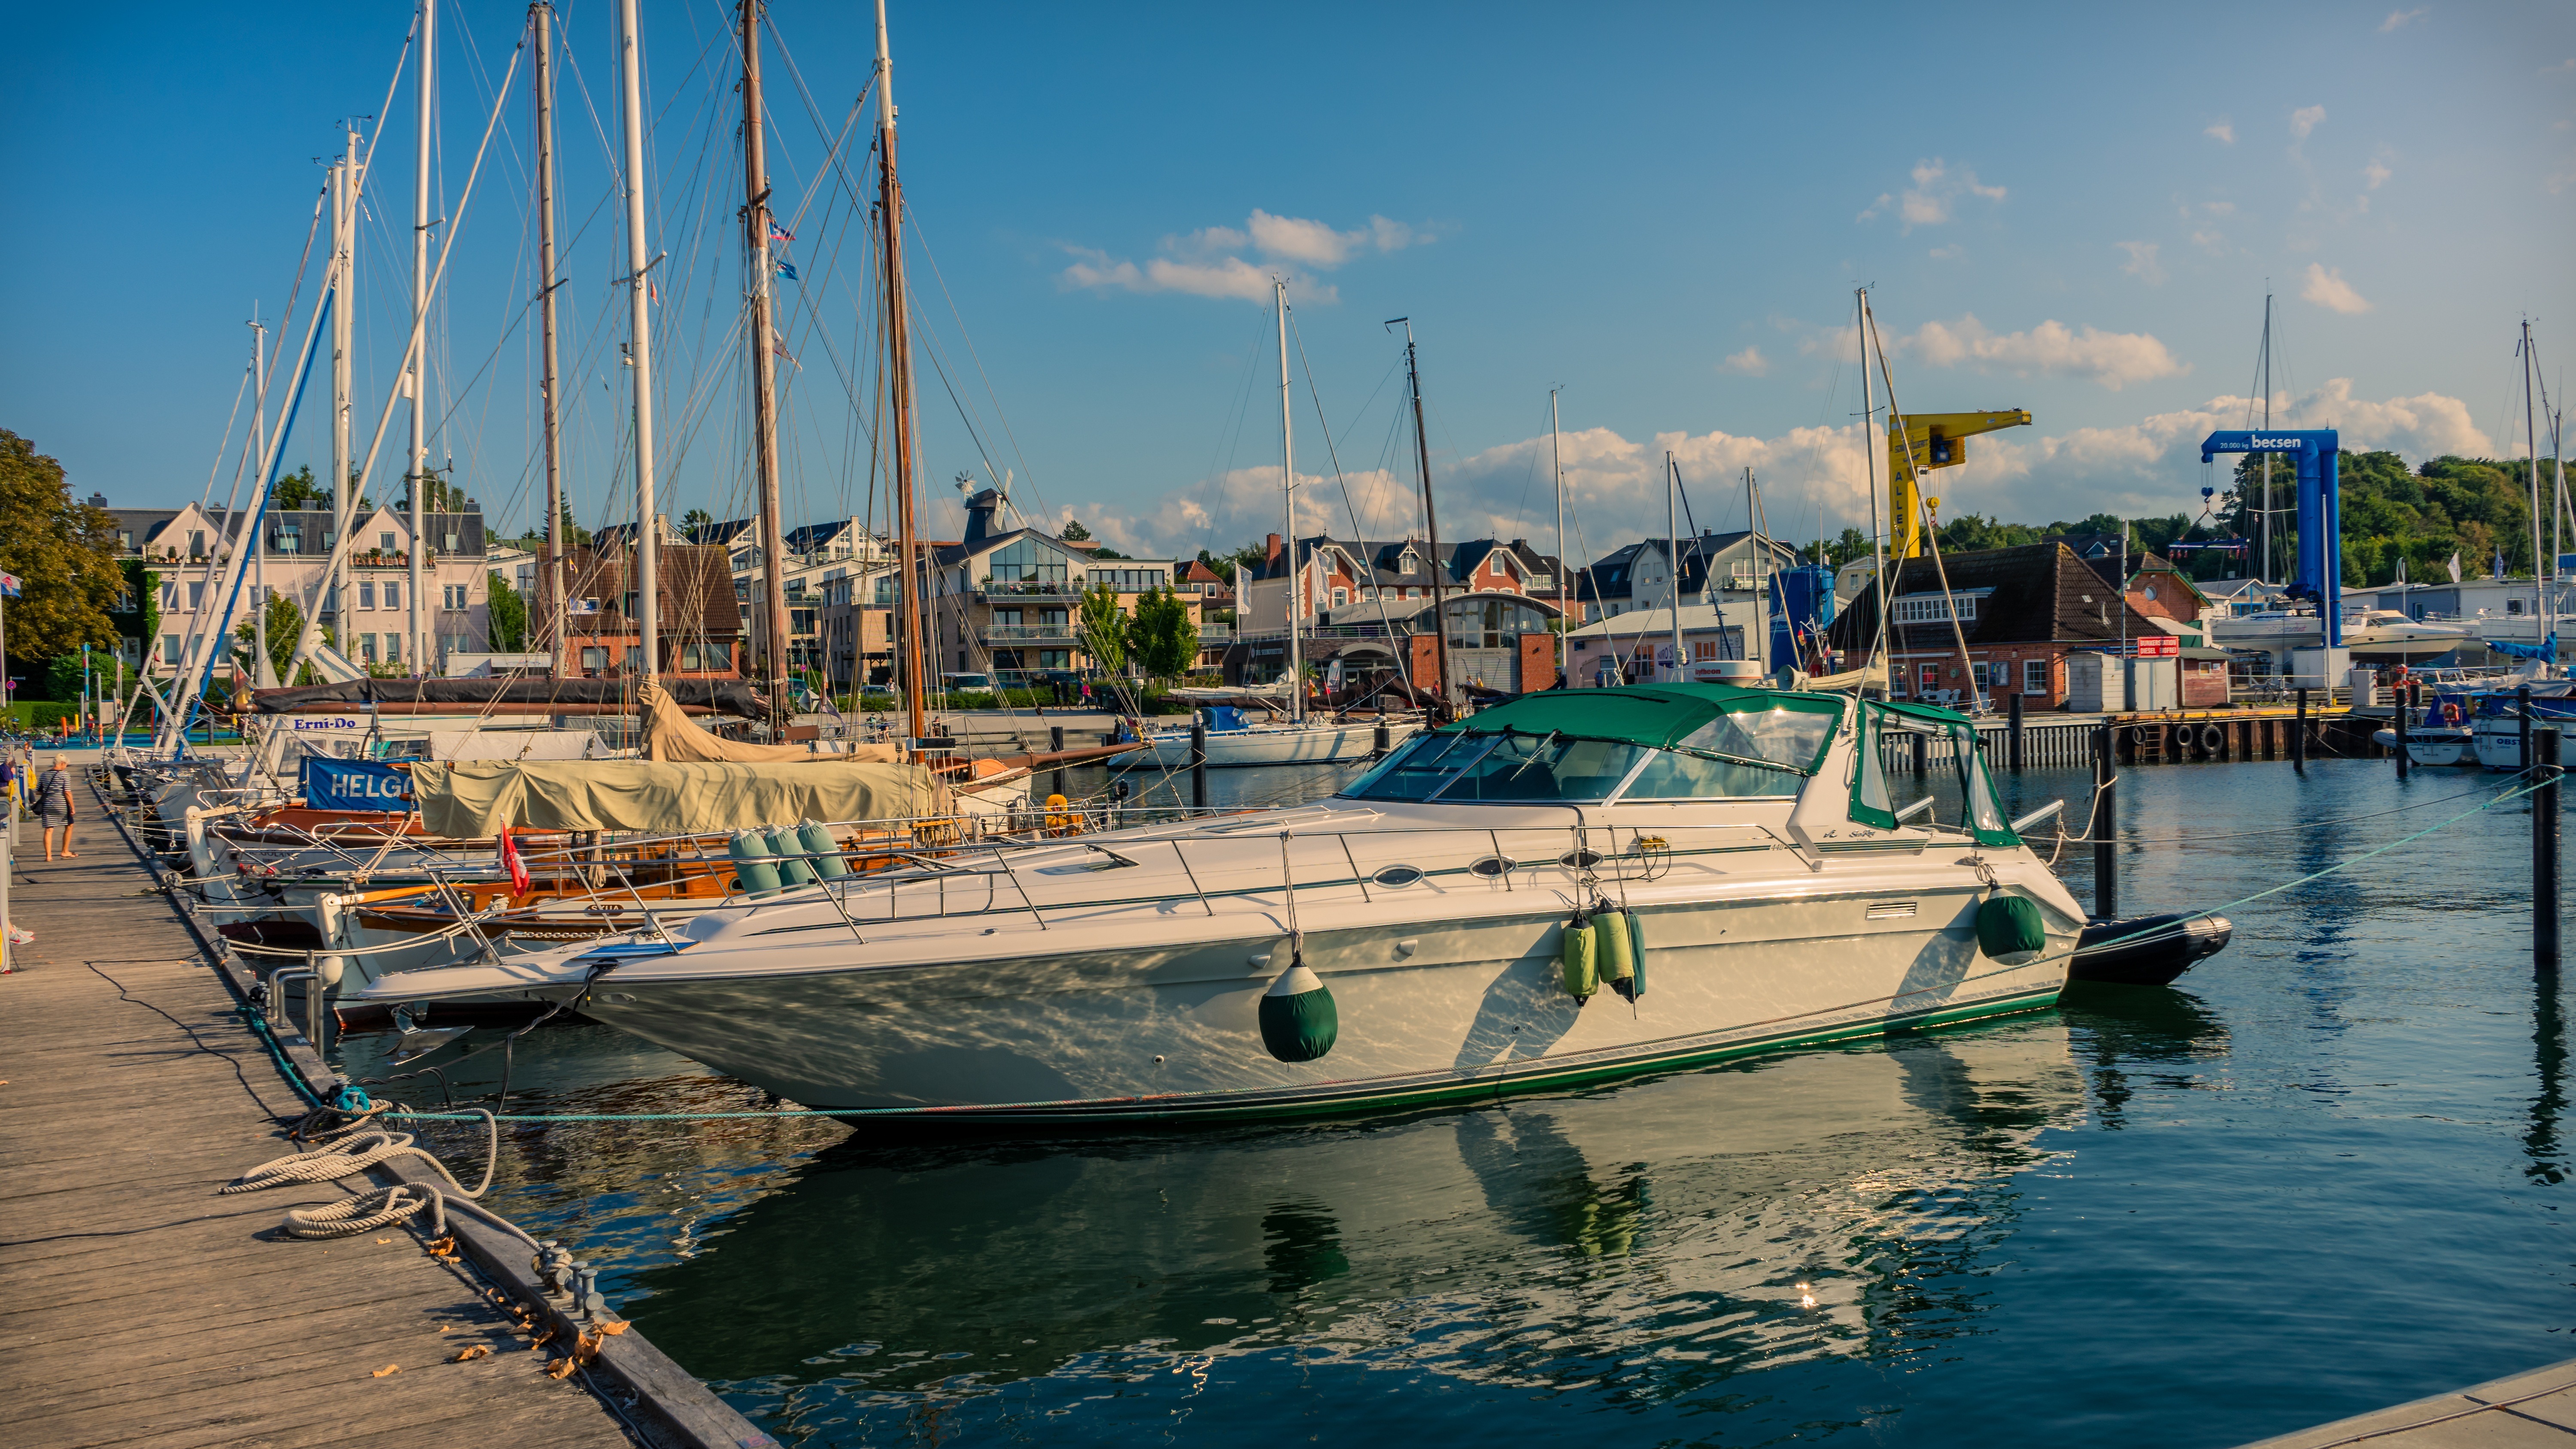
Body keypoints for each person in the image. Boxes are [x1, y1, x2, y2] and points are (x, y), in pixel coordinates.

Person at [36, 754, 75, 861]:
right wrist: (72, 807)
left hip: (47, 805)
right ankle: (65, 851)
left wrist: (50, 792)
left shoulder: (44, 775)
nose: (66, 767)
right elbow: (67, 792)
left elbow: (38, 791)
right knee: (69, 825)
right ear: (62, 764)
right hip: (62, 805)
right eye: (66, 765)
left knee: (49, 830)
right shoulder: (65, 775)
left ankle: (49, 856)